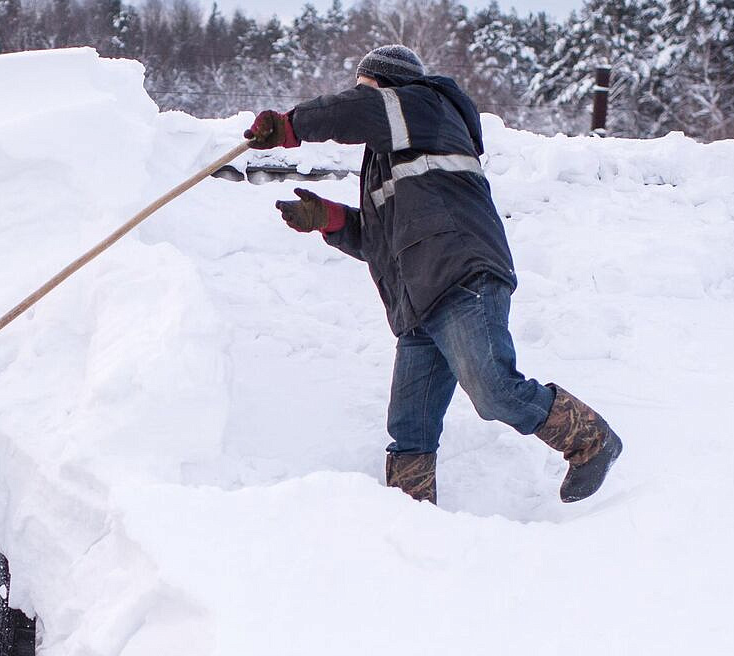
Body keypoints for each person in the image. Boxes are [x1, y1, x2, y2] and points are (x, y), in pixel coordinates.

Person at [244, 44, 622, 504]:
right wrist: (330, 220)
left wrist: (290, 126)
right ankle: (411, 522)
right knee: (410, 430)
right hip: (418, 304)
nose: (361, 98)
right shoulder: (386, 161)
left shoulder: (429, 107)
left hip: (461, 276)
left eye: (368, 89)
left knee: (493, 389)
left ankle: (591, 440)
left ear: (392, 87)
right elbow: (383, 243)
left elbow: (361, 111)